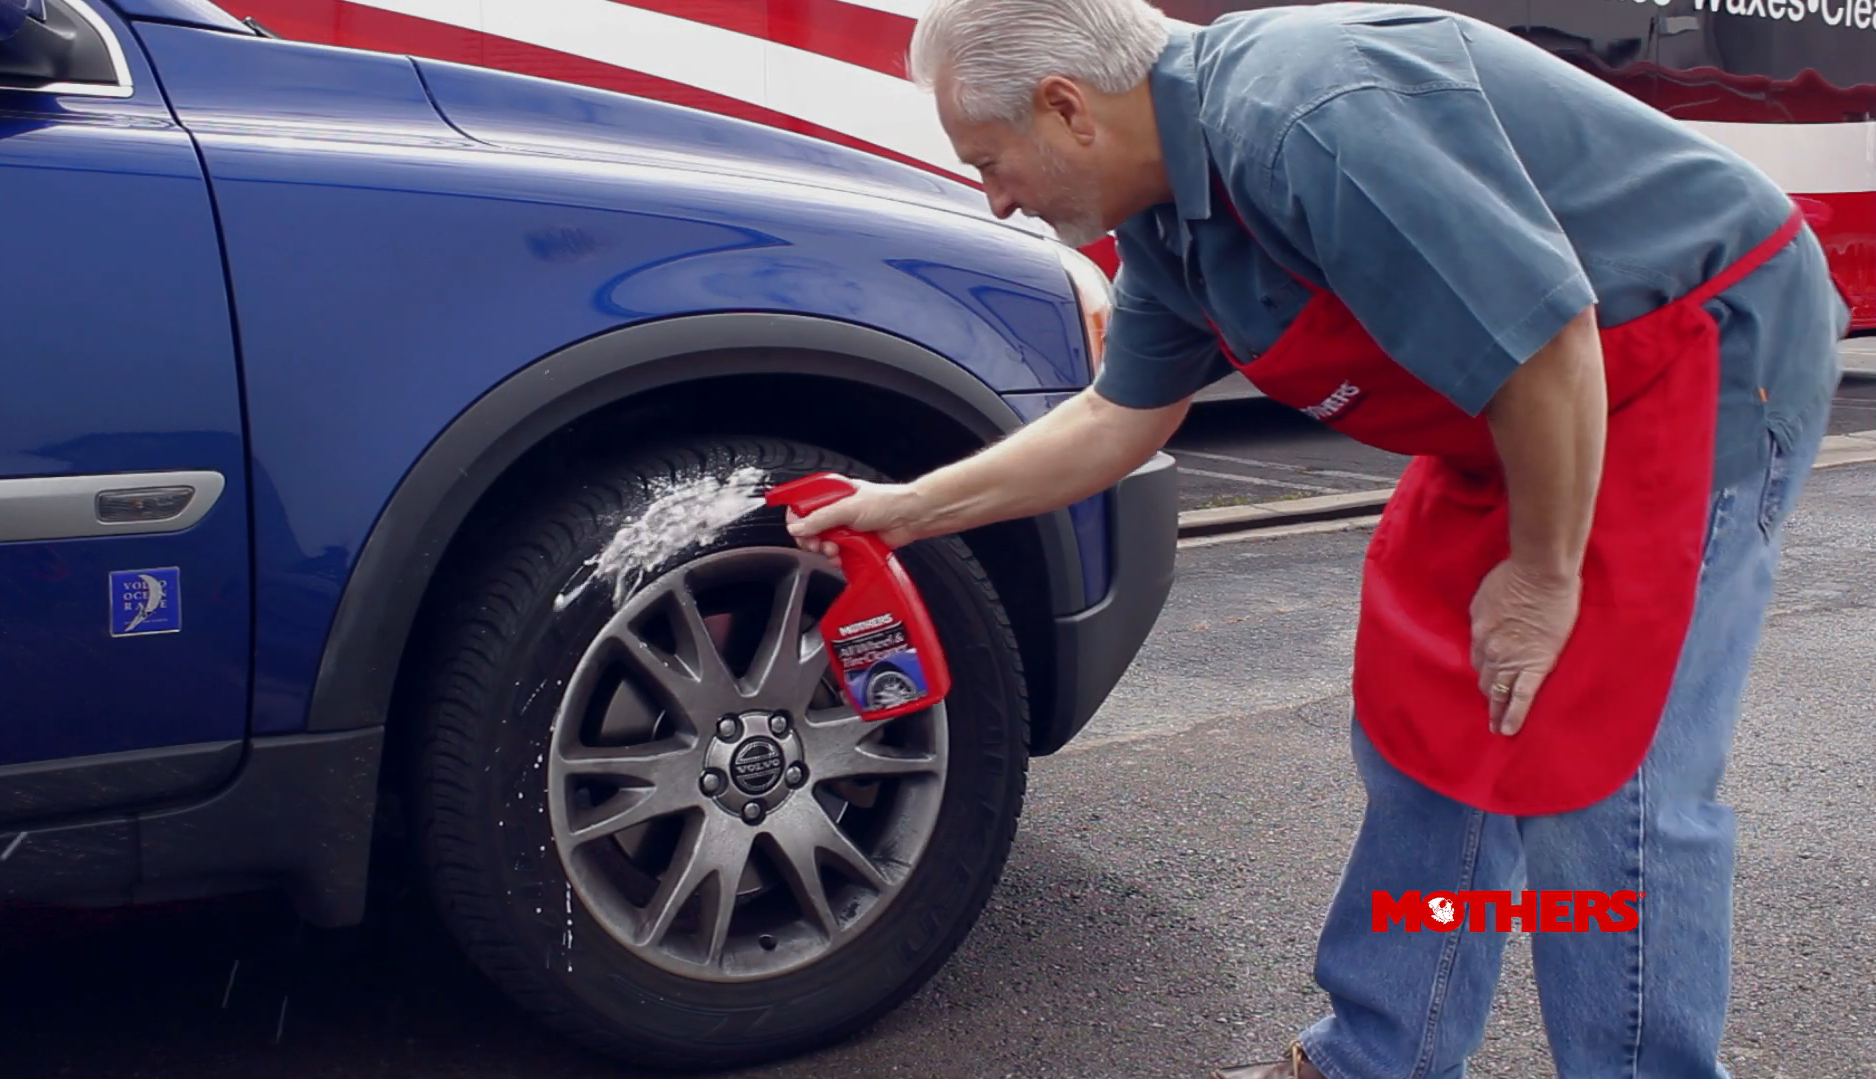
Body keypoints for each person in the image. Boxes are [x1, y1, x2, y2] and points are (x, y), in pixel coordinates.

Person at [785, 0, 1847, 1076]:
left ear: (1066, 109)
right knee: (1427, 731)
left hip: (1685, 359)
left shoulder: (1313, 114)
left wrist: (1538, 576)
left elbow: (1543, 339)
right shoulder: (1168, 215)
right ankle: (1378, 1054)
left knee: (1601, 769)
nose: (994, 194)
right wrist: (905, 507)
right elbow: (1117, 419)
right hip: (1530, 405)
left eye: (990, 158)